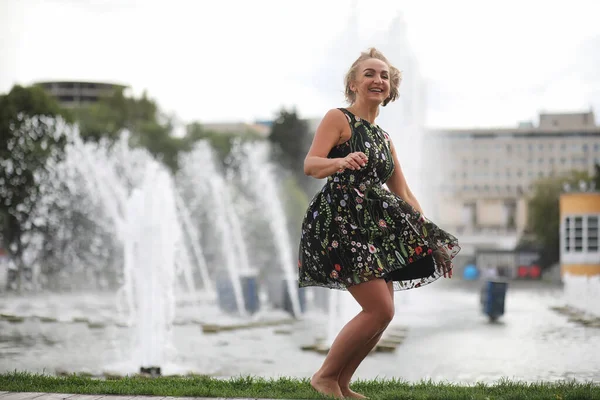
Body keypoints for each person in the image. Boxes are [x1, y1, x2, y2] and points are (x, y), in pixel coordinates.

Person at [297, 48, 461, 399]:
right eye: (370, 73)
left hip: (373, 232)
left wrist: (431, 239)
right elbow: (311, 165)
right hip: (339, 222)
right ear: (354, 83)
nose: (378, 80)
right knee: (379, 308)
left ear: (390, 89)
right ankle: (324, 377)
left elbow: (403, 192)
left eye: (384, 76)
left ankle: (341, 382)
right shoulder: (338, 118)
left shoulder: (384, 139)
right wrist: (340, 163)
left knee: (384, 314)